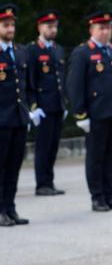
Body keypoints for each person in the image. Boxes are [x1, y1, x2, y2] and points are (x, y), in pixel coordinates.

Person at [66, 11, 112, 212]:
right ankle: (97, 196)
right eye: (101, 28)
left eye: (108, 28)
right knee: (96, 156)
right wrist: (80, 114)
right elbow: (74, 85)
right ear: (92, 29)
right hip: (96, 114)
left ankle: (111, 194)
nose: (105, 32)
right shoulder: (83, 53)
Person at [27, 10, 68, 195]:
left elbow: (61, 78)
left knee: (53, 146)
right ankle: (41, 184)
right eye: (49, 26)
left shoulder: (57, 50)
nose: (52, 30)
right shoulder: (33, 50)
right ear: (40, 27)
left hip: (57, 105)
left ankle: (49, 181)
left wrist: (64, 103)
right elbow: (30, 81)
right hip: (43, 106)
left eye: (55, 26)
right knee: (43, 146)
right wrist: (33, 106)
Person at [0, 4, 31, 226]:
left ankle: (10, 207)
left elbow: (26, 85)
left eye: (12, 25)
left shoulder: (20, 52)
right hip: (1, 120)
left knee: (13, 166)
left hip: (18, 119)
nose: (10, 29)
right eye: (5, 25)